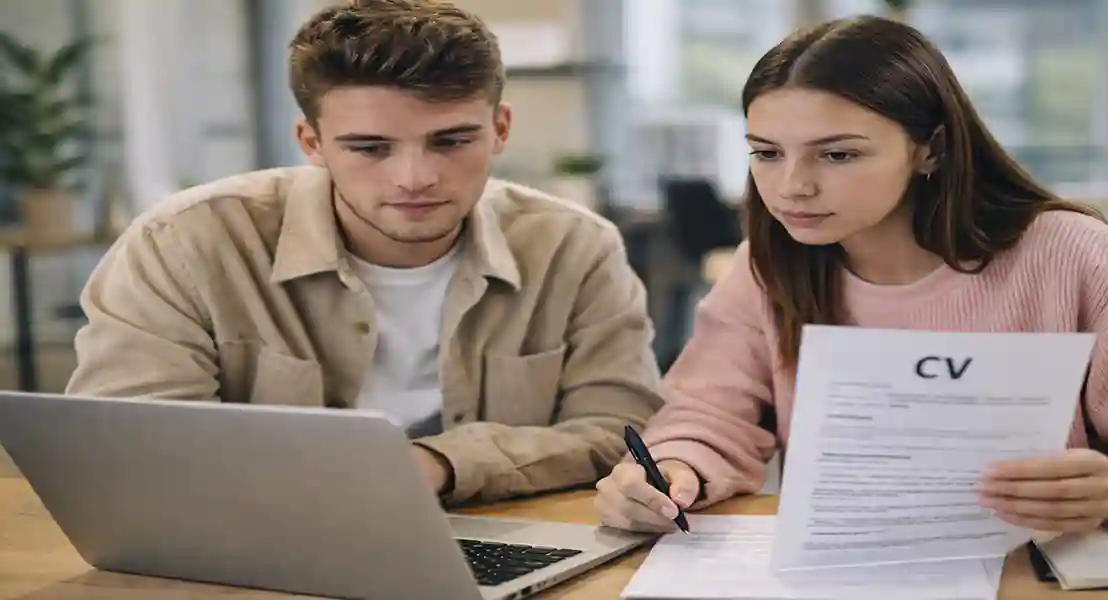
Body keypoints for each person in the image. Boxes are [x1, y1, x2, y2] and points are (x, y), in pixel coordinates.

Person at [595, 15, 1108, 533]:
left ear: (930, 149)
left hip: (1048, 571)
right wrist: (673, 471)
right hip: (847, 572)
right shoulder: (768, 266)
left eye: (838, 154)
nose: (791, 186)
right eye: (766, 153)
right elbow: (707, 417)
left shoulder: (1075, 258)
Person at [66, 0, 663, 506]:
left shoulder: (573, 245)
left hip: (499, 529)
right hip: (253, 545)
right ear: (311, 142)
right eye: (370, 148)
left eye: (451, 140)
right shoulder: (187, 242)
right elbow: (132, 447)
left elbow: (621, 429)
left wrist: (440, 464)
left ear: (500, 128)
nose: (415, 177)